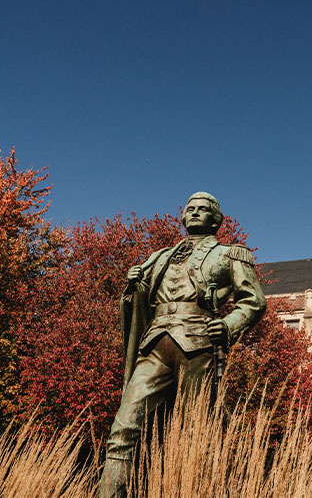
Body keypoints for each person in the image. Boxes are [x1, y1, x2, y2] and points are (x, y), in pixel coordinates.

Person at [100, 192, 266, 498]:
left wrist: (228, 325)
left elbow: (254, 302)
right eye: (191, 209)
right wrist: (134, 287)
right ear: (183, 216)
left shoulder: (231, 254)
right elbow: (140, 302)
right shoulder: (159, 257)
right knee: (123, 428)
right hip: (154, 345)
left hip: (199, 345)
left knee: (196, 435)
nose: (196, 213)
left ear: (216, 220)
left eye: (204, 209)